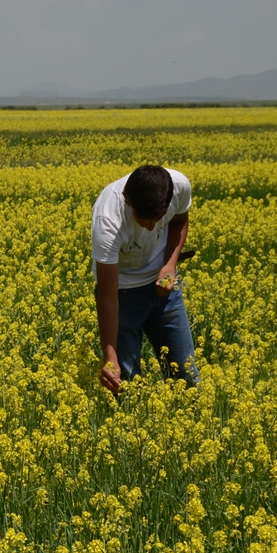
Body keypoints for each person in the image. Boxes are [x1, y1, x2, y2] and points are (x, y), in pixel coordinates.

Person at [92, 164, 199, 395]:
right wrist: (109, 358)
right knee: (127, 386)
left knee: (186, 373)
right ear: (126, 201)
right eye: (142, 219)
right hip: (123, 293)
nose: (151, 227)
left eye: (157, 219)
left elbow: (179, 221)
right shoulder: (107, 220)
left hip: (163, 291)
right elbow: (108, 297)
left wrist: (169, 266)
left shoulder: (179, 186)